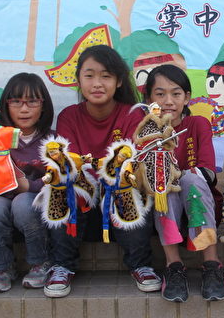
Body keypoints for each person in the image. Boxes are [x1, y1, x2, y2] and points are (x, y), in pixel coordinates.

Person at [45, 45, 159, 298]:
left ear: (118, 81)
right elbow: (70, 165)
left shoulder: (134, 115)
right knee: (62, 188)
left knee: (128, 189)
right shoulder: (69, 116)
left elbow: (132, 162)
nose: (97, 83)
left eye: (106, 76)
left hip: (117, 189)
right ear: (79, 80)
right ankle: (62, 266)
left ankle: (141, 265)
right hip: (85, 193)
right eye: (89, 75)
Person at [144, 64, 224, 302]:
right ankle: (173, 265)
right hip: (164, 206)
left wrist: (177, 175)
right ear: (149, 99)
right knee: (163, 185)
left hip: (199, 202)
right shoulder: (146, 131)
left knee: (190, 178)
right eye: (160, 94)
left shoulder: (198, 124)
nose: (168, 101)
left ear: (187, 97)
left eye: (176, 93)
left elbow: (208, 172)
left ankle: (212, 263)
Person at [0, 73, 54, 293]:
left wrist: (30, 187)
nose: (24, 109)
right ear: (6, 106)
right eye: (16, 101)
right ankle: (2, 266)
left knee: (23, 203)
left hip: (32, 201)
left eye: (32, 101)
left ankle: (41, 262)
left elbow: (59, 178)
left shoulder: (52, 141)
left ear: (43, 106)